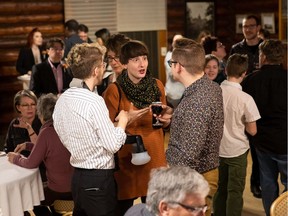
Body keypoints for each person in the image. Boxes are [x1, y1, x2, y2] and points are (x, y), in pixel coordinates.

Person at [53, 42, 129, 216]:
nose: (104, 68)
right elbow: (113, 145)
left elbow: (62, 130)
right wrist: (123, 121)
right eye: (103, 65)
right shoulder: (94, 101)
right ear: (96, 70)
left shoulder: (63, 99)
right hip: (98, 181)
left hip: (77, 179)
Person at [103, 40, 169, 216]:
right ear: (124, 64)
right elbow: (106, 130)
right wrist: (128, 120)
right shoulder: (114, 90)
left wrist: (166, 120)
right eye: (135, 60)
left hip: (155, 158)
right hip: (128, 162)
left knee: (156, 211)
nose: (142, 64)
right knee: (124, 211)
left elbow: (163, 120)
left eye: (145, 58)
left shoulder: (157, 85)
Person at [164, 38, 224, 216]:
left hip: (194, 179)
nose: (171, 67)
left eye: (171, 63)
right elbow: (200, 129)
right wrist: (175, 117)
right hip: (206, 172)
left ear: (179, 66)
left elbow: (190, 154)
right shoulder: (211, 87)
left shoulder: (195, 102)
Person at [7, 93, 74, 216]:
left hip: (58, 191)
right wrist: (28, 145)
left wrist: (15, 158)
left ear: (41, 113)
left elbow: (31, 163)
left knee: (25, 198)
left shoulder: (47, 131)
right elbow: (52, 150)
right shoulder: (65, 126)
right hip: (75, 188)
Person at [241, 39, 287, 216]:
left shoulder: (250, 81)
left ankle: (271, 213)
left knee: (267, 182)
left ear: (264, 56)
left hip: (261, 141)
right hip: (285, 140)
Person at [213, 54, 261, 216]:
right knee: (235, 190)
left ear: (225, 70)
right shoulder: (245, 99)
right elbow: (253, 130)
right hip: (237, 150)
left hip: (218, 149)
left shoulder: (214, 93)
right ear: (244, 73)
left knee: (221, 187)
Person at [230, 14, 263, 198]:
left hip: (260, 101)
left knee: (258, 147)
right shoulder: (236, 48)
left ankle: (256, 183)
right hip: (241, 100)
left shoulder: (263, 47)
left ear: (258, 27)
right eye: (244, 26)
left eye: (251, 26)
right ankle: (237, 186)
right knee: (241, 146)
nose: (247, 29)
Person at [124, 166, 210, 216]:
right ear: (165, 208)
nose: (203, 215)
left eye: (203, 208)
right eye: (194, 209)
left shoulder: (139, 208)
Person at [4, 90, 41, 155]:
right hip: (18, 162)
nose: (30, 108)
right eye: (25, 105)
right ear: (18, 107)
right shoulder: (14, 123)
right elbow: (8, 149)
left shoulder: (42, 122)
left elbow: (42, 149)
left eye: (33, 104)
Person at [164, 34, 185, 108]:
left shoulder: (184, 55)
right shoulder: (170, 56)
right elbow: (173, 74)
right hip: (174, 94)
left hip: (184, 93)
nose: (178, 44)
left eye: (180, 41)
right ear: (173, 44)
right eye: (176, 42)